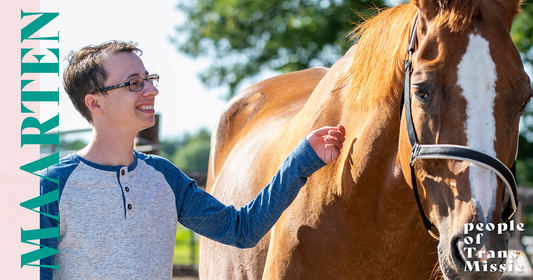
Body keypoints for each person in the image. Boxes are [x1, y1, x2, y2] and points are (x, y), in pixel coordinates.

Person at [40, 40, 346, 279]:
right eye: (135, 83)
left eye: (150, 79)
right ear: (95, 102)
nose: (152, 90)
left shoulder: (164, 177)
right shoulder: (54, 185)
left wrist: (301, 160)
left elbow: (242, 229)